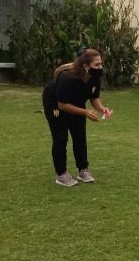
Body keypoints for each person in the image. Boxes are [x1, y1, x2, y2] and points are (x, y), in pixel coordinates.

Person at [42, 48, 112, 187]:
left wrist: (102, 108)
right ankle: (61, 174)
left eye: (101, 64)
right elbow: (62, 105)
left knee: (80, 136)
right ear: (86, 66)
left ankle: (83, 170)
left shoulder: (94, 78)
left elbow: (94, 97)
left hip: (76, 103)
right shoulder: (67, 78)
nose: (100, 67)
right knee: (61, 138)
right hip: (56, 104)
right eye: (97, 65)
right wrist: (85, 112)